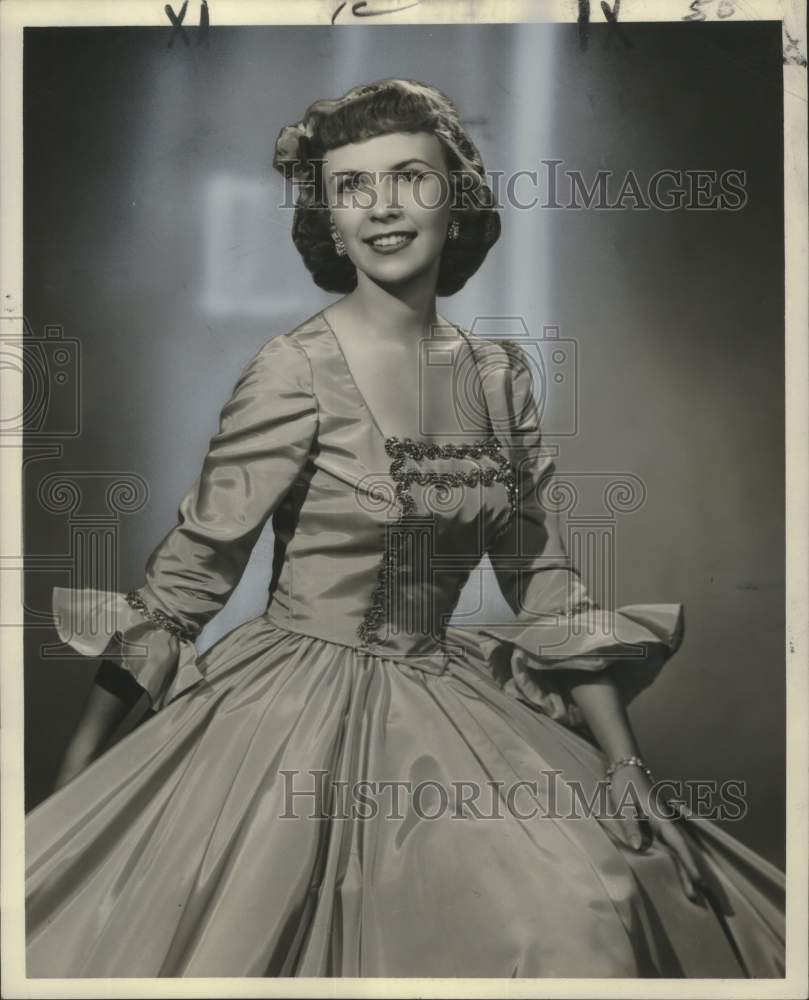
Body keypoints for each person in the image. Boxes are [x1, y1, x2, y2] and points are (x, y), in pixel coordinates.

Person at [25, 78, 785, 978]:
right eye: (353, 188)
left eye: (408, 180)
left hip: (449, 702)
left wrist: (625, 767)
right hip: (286, 715)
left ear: (453, 199)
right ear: (330, 221)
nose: (382, 208)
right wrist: (80, 787)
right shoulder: (291, 371)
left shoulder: (499, 375)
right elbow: (188, 577)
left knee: (588, 906)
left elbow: (539, 573)